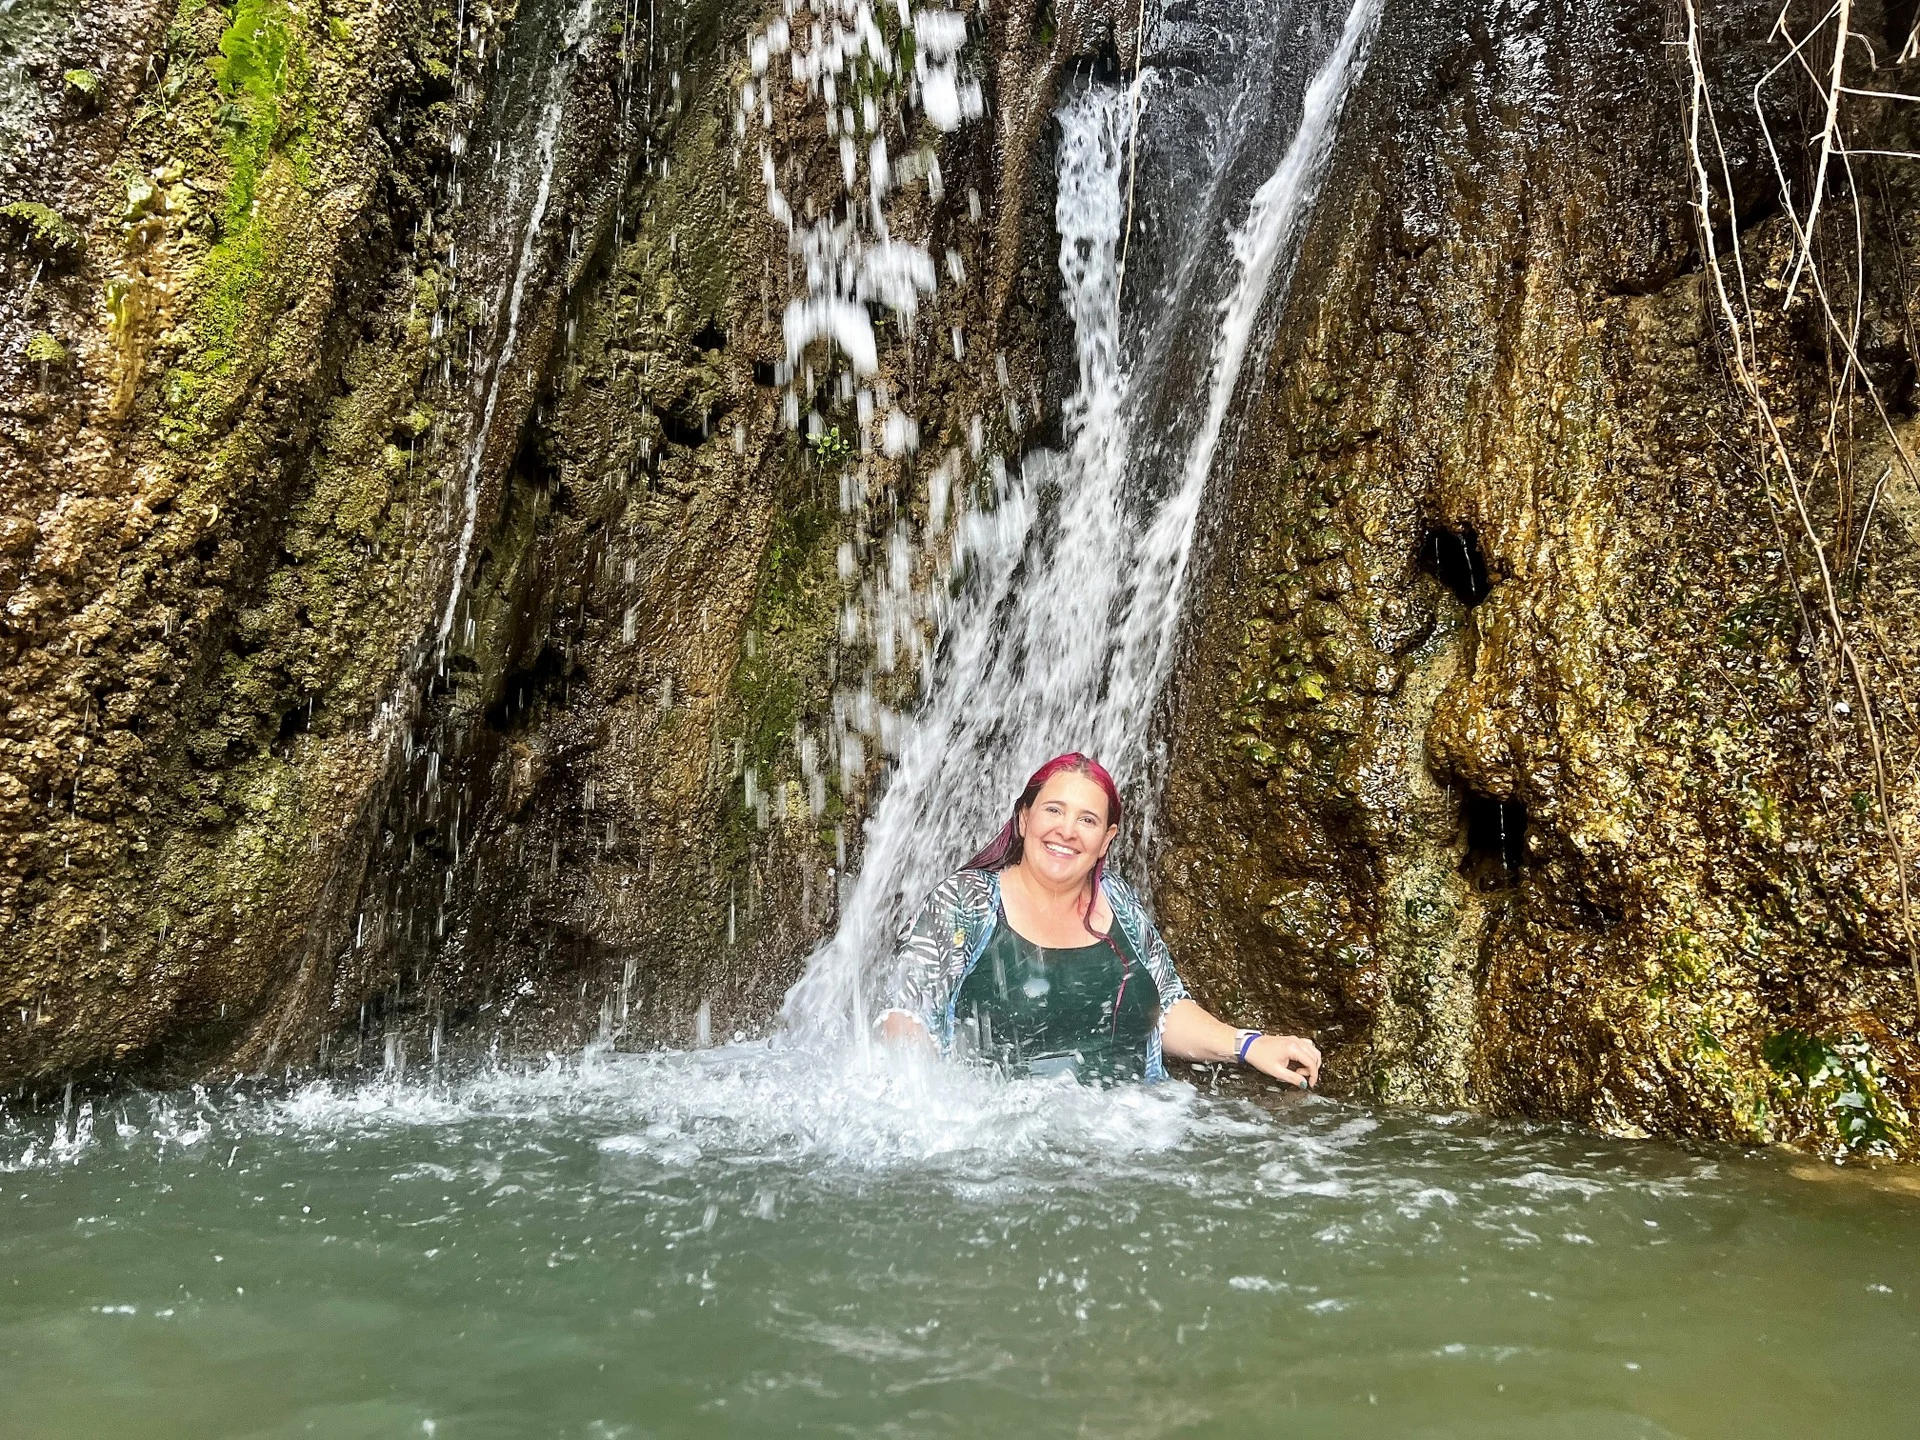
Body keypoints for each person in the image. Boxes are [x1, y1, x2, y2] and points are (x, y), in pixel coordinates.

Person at [879, 752, 1322, 1087]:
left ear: (1106, 839)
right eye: (1053, 810)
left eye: (1087, 819)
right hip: (1001, 1149)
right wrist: (935, 1110)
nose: (1067, 830)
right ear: (1023, 818)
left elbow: (1167, 1008)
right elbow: (905, 1014)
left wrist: (1249, 1045)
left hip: (1127, 1134)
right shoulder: (967, 899)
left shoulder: (1118, 902)